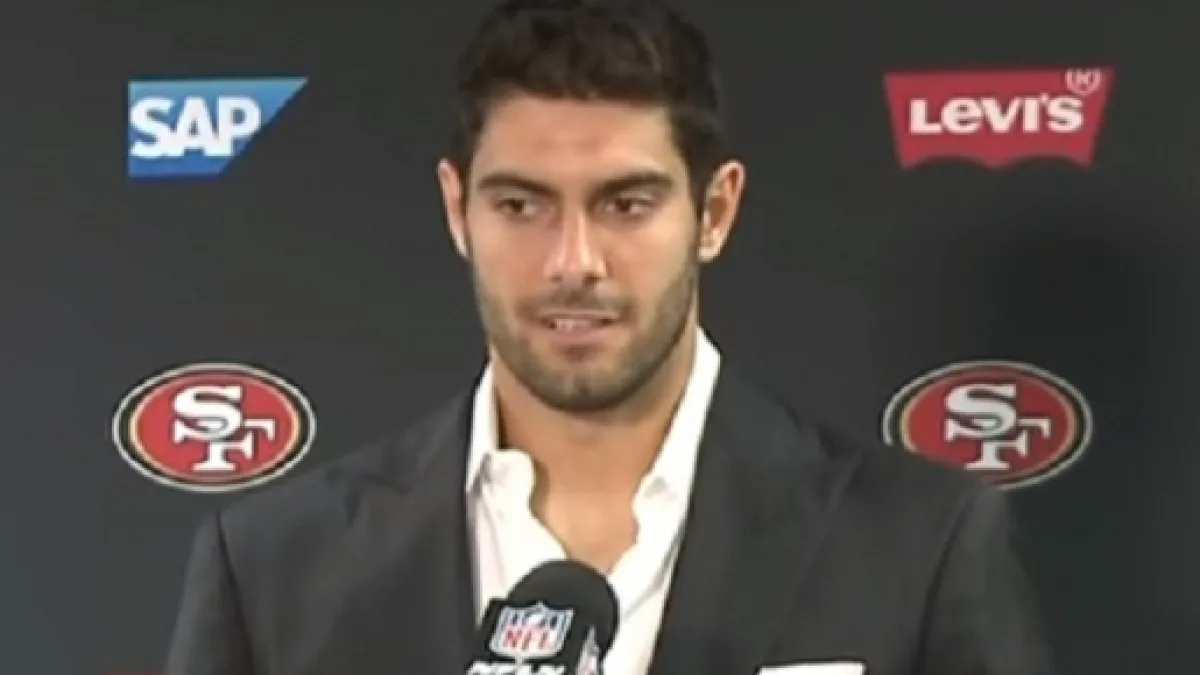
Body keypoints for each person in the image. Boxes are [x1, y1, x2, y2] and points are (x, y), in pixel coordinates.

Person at [164, 0, 1054, 673]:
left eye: (625, 204)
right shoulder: (275, 569)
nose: (573, 261)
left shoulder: (918, 546)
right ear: (456, 209)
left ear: (715, 211)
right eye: (522, 205)